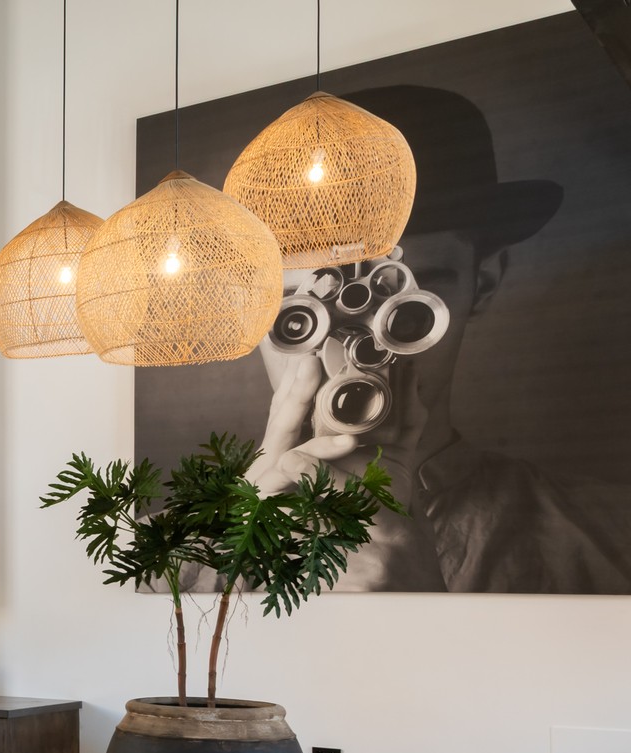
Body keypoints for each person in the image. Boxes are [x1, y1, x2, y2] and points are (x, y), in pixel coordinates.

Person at [246, 85, 631, 593]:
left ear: (482, 283)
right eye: (297, 315)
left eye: (402, 310)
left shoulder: (613, 544)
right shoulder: (161, 564)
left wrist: (426, 615)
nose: (343, 352)